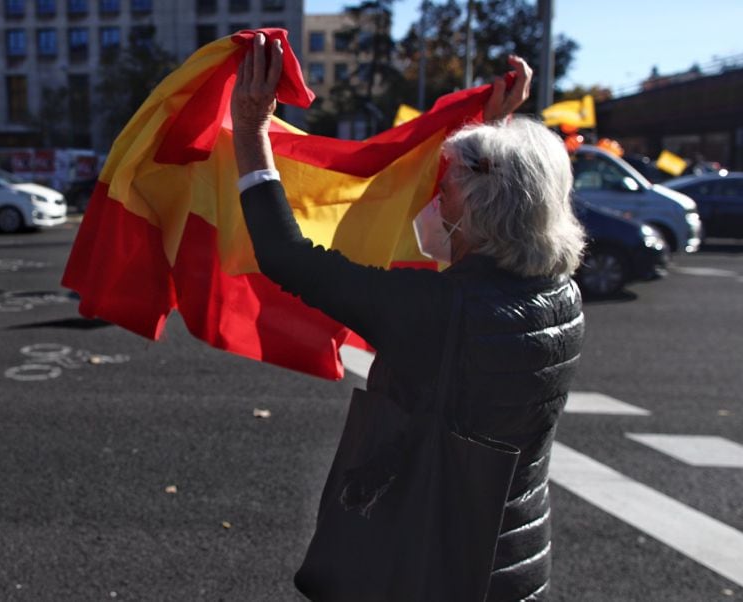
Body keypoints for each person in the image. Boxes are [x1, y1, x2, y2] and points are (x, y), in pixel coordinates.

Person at [231, 33, 585, 601]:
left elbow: (287, 257)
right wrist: (495, 126)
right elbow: (515, 185)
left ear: (474, 211)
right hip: (514, 559)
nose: (434, 201)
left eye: (444, 191)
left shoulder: (442, 314)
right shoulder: (562, 295)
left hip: (432, 565)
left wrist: (250, 131)